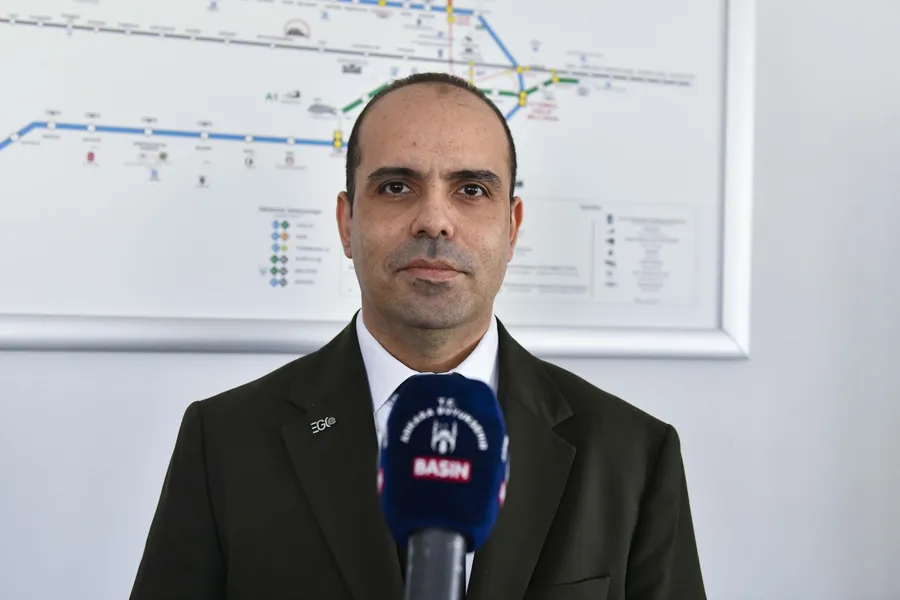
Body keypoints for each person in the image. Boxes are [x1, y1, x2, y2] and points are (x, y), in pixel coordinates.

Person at [129, 72, 706, 600]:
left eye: (471, 189)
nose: (434, 220)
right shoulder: (224, 442)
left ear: (512, 228)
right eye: (396, 187)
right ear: (346, 223)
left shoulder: (633, 455)